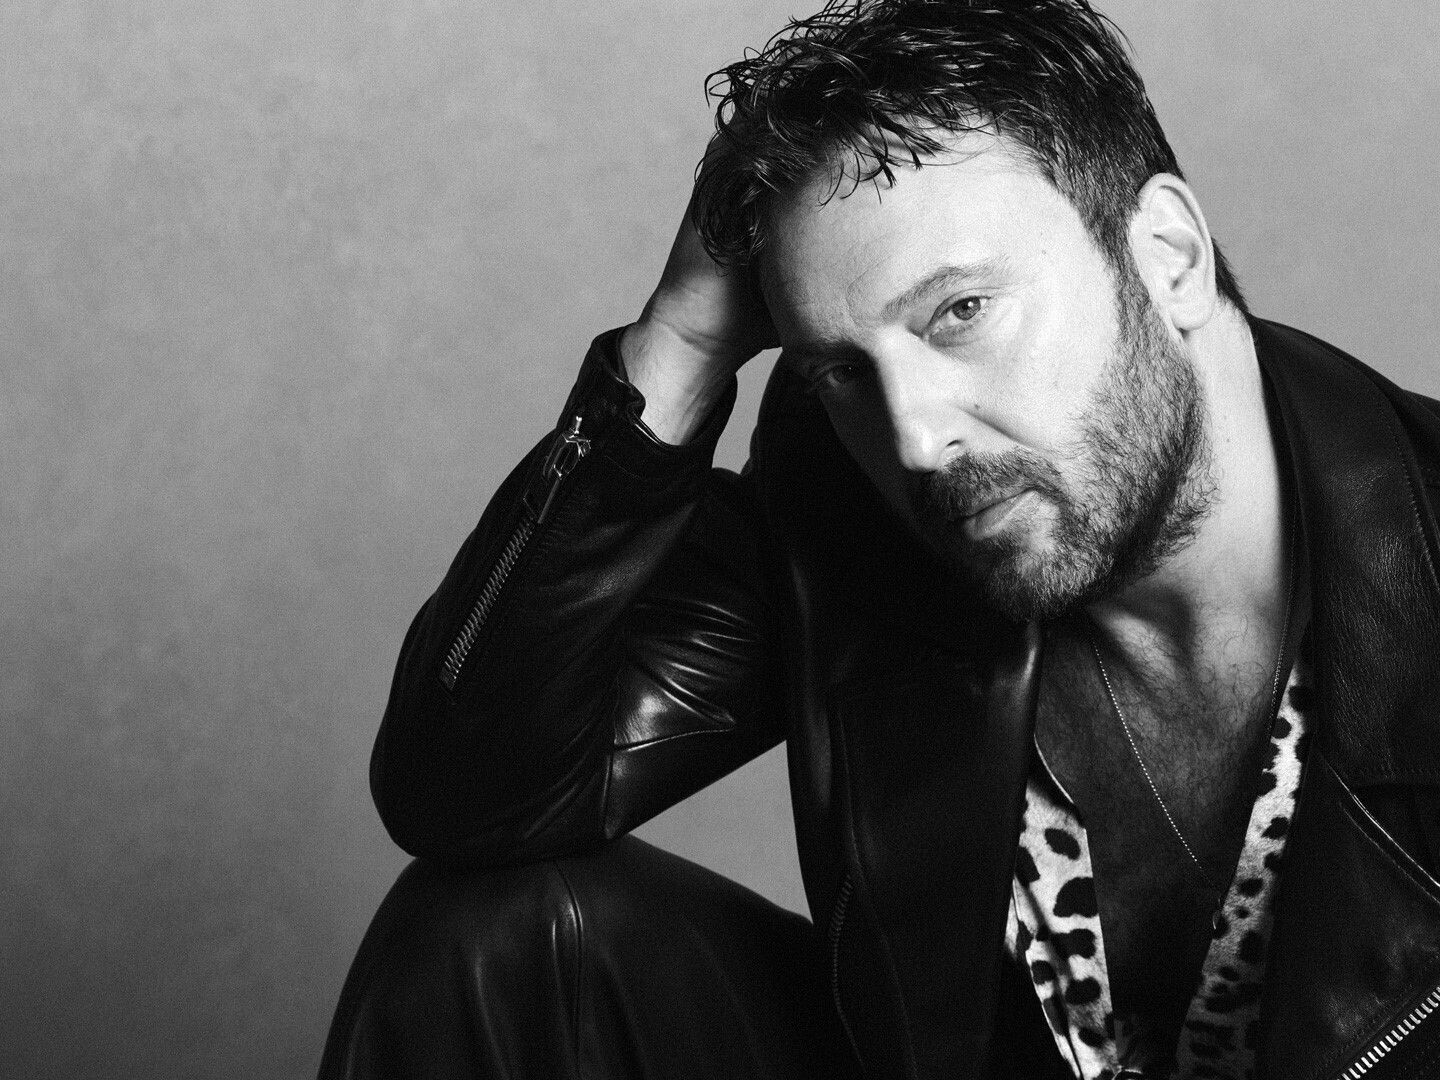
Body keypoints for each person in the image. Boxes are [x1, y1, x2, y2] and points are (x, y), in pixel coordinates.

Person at [319, 1, 1440, 1077]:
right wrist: (681, 342)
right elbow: (467, 794)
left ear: (1171, 256)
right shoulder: (856, 511)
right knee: (488, 947)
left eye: (961, 313)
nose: (915, 439)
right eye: (843, 372)